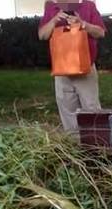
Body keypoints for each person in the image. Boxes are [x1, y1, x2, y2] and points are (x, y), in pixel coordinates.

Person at [38, 1, 106, 136]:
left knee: (91, 110)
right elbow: (42, 35)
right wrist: (54, 20)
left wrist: (83, 24)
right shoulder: (51, 5)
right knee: (68, 113)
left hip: (85, 69)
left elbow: (100, 33)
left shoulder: (88, 5)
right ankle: (73, 149)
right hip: (61, 71)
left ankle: (97, 146)